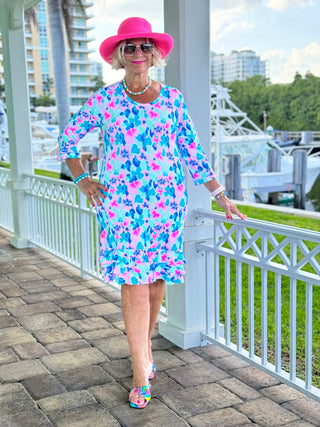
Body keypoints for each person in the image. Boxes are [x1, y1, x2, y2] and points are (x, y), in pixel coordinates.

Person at [57, 16, 246, 409]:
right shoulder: (105, 100)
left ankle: (144, 349)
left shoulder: (173, 100)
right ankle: (140, 367)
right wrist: (82, 180)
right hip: (121, 207)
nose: (138, 53)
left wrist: (221, 195)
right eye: (130, 47)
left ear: (155, 53)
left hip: (165, 206)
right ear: (120, 56)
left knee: (156, 279)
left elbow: (193, 154)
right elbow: (68, 140)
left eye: (145, 46)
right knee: (133, 281)